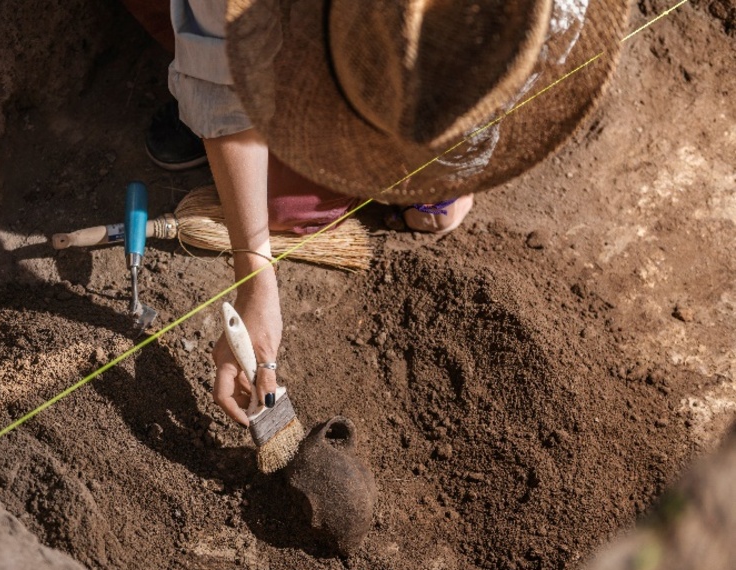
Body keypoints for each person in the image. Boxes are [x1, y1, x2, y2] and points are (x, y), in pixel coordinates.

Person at [159, 0, 628, 426]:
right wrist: (255, 280)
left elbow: (499, 86)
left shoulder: (543, 17)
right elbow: (218, 69)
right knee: (280, 208)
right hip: (291, 22)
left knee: (404, 197)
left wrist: (446, 179)